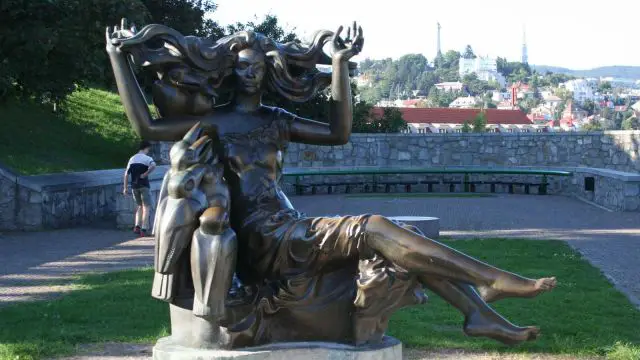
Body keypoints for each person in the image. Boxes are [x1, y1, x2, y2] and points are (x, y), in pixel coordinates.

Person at [107, 19, 557, 347]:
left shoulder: (275, 121)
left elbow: (338, 133)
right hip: (262, 238)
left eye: (257, 65)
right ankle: (488, 280)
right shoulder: (214, 122)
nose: (249, 72)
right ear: (229, 71)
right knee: (376, 227)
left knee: (405, 239)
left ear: (268, 73)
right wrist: (117, 58)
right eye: (241, 65)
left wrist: (339, 65)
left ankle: (478, 314)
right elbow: (146, 125)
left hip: (288, 227)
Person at [123, 140, 156, 236]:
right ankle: (144, 229)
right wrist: (145, 174)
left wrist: (125, 188)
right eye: (148, 149)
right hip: (144, 186)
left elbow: (126, 174)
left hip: (134, 186)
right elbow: (154, 165)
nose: (148, 151)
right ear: (147, 148)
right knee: (146, 207)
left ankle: (137, 226)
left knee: (139, 206)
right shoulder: (147, 158)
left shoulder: (132, 158)